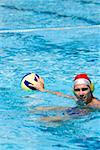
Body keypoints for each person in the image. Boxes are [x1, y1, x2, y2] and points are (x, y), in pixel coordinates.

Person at [30, 73, 100, 122]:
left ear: (91, 89)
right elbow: (61, 95)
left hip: (83, 113)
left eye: (84, 89)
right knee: (38, 109)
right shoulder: (80, 99)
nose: (81, 93)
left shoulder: (96, 104)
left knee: (45, 120)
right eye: (77, 90)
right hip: (76, 110)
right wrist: (43, 90)